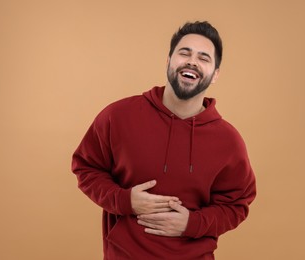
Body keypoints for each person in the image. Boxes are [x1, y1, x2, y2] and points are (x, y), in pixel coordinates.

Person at [71, 21, 256, 260]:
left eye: (204, 57)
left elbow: (237, 205)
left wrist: (192, 223)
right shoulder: (118, 116)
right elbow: (86, 167)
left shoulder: (229, 142)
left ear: (215, 75)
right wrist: (124, 200)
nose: (192, 61)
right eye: (184, 52)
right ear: (168, 61)